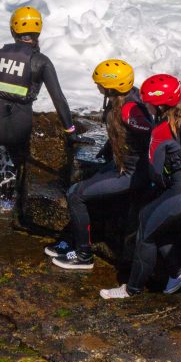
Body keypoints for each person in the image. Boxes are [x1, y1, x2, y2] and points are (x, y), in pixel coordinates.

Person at [0, 6, 78, 226]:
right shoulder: (41, 61)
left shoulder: (0, 53)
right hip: (21, 121)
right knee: (19, 161)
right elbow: (58, 99)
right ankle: (9, 200)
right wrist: (70, 131)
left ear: (13, 28)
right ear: (38, 31)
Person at [99, 74, 181, 299]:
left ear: (158, 104)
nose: (146, 106)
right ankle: (177, 274)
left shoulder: (160, 130)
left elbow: (155, 172)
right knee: (158, 221)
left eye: (148, 102)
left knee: (146, 227)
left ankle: (132, 289)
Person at [45, 59, 153, 270]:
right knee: (86, 183)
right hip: (121, 166)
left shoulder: (132, 110)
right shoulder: (124, 98)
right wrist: (110, 147)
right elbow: (124, 132)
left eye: (100, 83)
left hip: (132, 173)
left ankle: (84, 255)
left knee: (76, 194)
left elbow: (153, 137)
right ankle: (73, 241)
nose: (97, 87)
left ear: (112, 86)